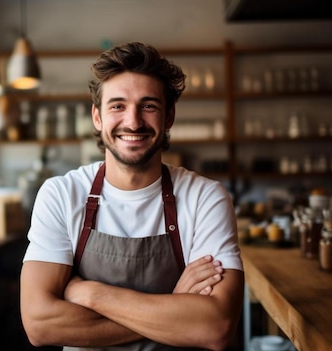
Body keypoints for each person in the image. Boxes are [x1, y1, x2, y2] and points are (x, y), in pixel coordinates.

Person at [20, 41, 244, 351]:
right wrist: (175, 308)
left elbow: (215, 327)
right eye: (118, 106)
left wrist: (91, 294)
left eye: (149, 105)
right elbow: (39, 325)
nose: (133, 121)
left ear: (168, 118)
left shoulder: (205, 198)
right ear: (97, 118)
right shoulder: (61, 195)